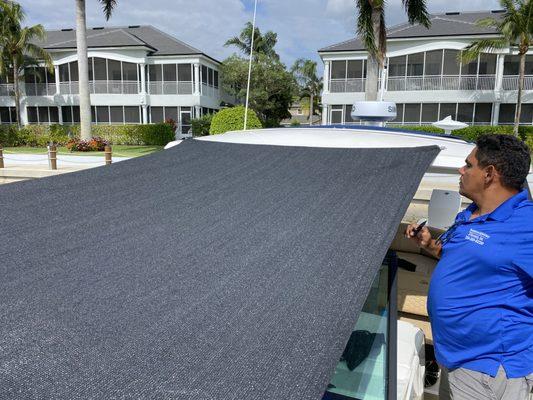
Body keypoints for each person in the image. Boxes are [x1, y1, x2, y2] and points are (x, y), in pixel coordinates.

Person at [405, 134, 533, 400]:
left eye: (468, 164)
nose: (461, 170)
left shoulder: (526, 225)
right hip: (453, 359)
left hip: (489, 369)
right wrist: (430, 245)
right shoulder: (470, 214)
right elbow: (464, 259)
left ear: (489, 173)